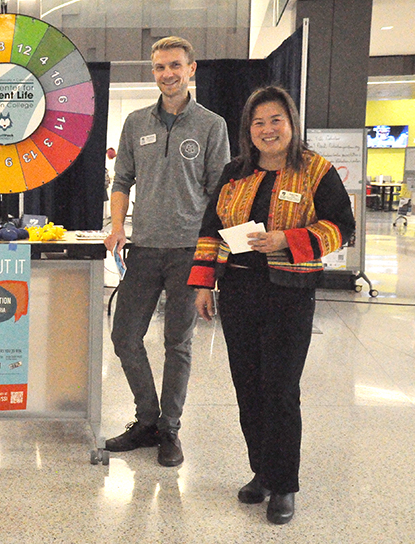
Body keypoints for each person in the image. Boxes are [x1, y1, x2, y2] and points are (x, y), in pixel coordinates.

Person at [188, 85, 355, 524]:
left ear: (291, 123)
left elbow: (342, 225)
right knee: (248, 388)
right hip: (239, 293)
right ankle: (261, 472)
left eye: (275, 120)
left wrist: (288, 239)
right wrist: (204, 285)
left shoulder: (315, 170)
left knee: (280, 391)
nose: (267, 129)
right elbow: (210, 230)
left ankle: (284, 485)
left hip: (289, 294)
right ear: (249, 129)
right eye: (258, 122)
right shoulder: (234, 172)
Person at [103, 36, 230, 467]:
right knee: (124, 337)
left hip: (189, 252)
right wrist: (118, 227)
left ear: (191, 69)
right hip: (143, 249)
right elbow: (121, 181)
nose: (167, 74)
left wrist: (213, 261)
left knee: (178, 343)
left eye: (175, 65)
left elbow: (219, 197)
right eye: (159, 67)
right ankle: (147, 419)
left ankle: (169, 430)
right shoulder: (137, 123)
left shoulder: (212, 125)